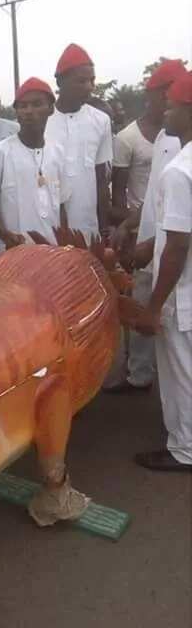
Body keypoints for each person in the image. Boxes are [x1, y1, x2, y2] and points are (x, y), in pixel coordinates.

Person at [105, 59, 187, 393]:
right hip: (156, 247)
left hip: (177, 252)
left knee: (181, 353)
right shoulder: (167, 139)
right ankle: (174, 433)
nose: (157, 104)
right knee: (164, 346)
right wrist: (128, 225)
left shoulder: (183, 145)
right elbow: (154, 196)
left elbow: (180, 221)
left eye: (159, 96)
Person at [125, 71, 192, 472]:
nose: (165, 111)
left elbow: (180, 244)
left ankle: (184, 450)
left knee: (180, 373)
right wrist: (151, 245)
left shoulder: (180, 171)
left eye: (172, 106)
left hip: (182, 294)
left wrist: (153, 305)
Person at [0, 77, 68, 259]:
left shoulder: (58, 152)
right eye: (23, 106)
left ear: (50, 109)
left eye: (36, 104)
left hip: (52, 256)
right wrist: (6, 236)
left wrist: (63, 248)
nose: (29, 111)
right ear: (16, 111)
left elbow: (62, 205)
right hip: (11, 258)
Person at [45, 43, 113, 241]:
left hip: (88, 229)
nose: (89, 87)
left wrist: (105, 229)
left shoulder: (101, 121)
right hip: (48, 229)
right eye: (81, 81)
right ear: (59, 82)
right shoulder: (42, 120)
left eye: (92, 80)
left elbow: (102, 179)